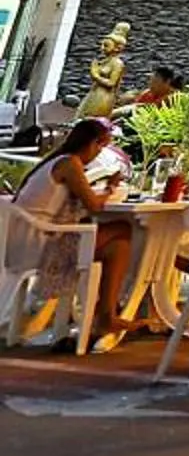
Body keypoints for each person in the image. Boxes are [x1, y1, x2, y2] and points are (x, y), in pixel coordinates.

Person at [10, 117, 135, 351]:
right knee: (123, 229)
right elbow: (94, 205)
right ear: (91, 143)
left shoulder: (55, 161)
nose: (98, 154)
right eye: (100, 146)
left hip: (24, 239)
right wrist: (110, 187)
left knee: (118, 247)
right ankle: (106, 313)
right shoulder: (70, 163)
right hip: (41, 242)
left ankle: (105, 314)